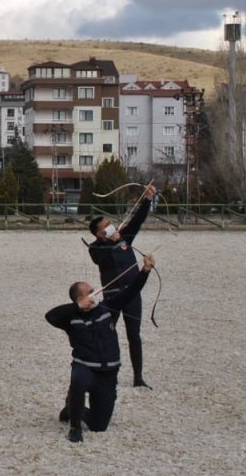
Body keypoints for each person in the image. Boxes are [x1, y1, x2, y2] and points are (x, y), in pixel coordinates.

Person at [45, 252, 154, 443]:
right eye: (90, 292)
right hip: (85, 366)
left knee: (99, 426)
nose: (95, 294)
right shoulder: (70, 317)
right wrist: (78, 307)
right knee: (78, 380)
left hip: (108, 373)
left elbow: (130, 292)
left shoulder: (107, 308)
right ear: (79, 298)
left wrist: (145, 270)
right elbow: (50, 316)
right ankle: (75, 426)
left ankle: (71, 408)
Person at [85, 183, 156, 389]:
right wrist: (110, 241)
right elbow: (100, 257)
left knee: (134, 335)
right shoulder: (95, 247)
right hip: (113, 297)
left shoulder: (125, 237)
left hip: (133, 293)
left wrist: (147, 199)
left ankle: (138, 377)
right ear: (99, 233)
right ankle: (102, 371)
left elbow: (137, 219)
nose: (111, 226)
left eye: (111, 223)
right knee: (107, 332)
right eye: (106, 226)